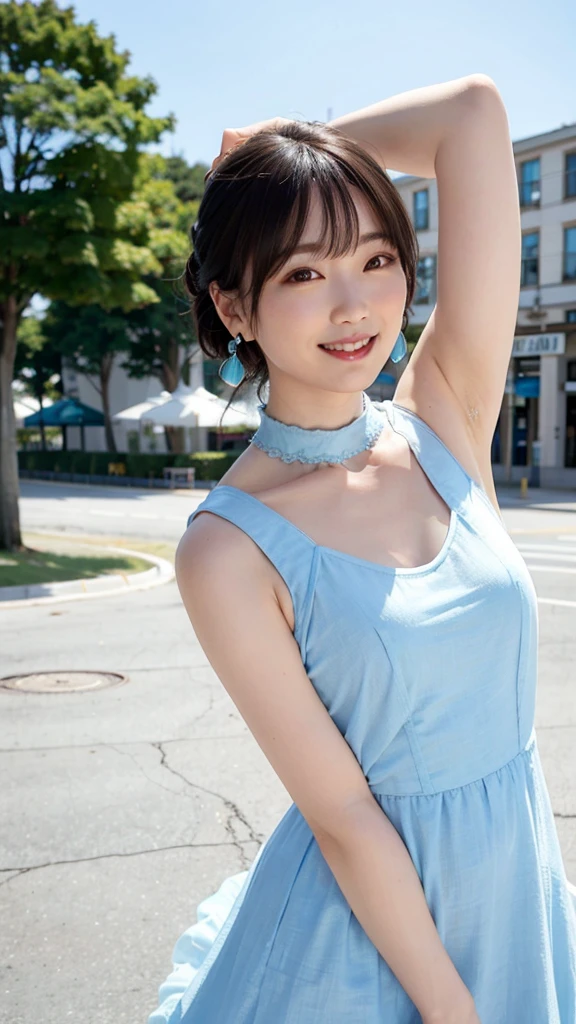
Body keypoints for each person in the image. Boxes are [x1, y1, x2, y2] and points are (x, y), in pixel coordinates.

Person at [148, 75, 576, 1024]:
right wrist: (453, 1011)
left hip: (515, 900)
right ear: (234, 306)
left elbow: (473, 116)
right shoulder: (227, 548)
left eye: (377, 259)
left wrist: (295, 144)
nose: (354, 306)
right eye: (303, 273)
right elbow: (343, 818)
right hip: (372, 951)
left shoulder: (443, 416)